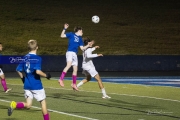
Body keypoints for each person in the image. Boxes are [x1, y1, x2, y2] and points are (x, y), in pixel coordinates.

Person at [8, 40, 51, 120]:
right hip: (36, 85)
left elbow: (18, 70)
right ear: (37, 47)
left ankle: (14, 104)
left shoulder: (25, 58)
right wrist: (46, 75)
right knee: (43, 104)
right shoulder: (37, 58)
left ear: (28, 48)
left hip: (27, 85)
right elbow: (38, 71)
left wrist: (23, 79)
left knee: (28, 105)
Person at [59, 23, 90, 91]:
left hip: (75, 54)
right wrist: (64, 28)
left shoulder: (80, 39)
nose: (82, 32)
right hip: (70, 52)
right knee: (69, 65)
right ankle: (61, 79)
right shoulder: (71, 34)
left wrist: (88, 45)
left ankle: (74, 84)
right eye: (81, 31)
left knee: (75, 69)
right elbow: (62, 35)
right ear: (78, 31)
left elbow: (82, 48)